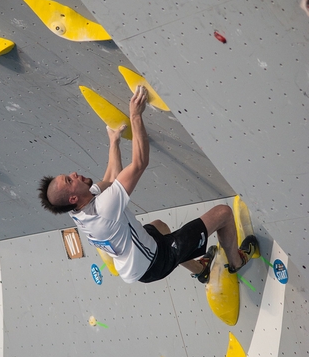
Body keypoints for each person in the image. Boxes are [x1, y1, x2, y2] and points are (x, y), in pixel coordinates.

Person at [38, 86, 257, 284]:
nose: (73, 174)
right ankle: (237, 263)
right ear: (73, 197)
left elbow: (110, 181)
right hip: (156, 261)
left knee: (160, 226)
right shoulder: (103, 210)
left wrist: (114, 142)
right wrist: (135, 116)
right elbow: (140, 163)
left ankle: (201, 270)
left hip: (134, 263)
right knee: (224, 213)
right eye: (69, 180)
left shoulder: (77, 209)